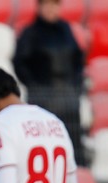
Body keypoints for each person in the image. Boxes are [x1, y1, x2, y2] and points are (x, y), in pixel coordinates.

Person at [13, 0, 86, 165]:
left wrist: (75, 86)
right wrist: (35, 85)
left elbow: (78, 60)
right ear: (39, 7)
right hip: (43, 98)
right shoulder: (30, 33)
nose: (51, 9)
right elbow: (20, 63)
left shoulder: (66, 30)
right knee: (47, 143)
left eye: (55, 5)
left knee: (72, 141)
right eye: (47, 5)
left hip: (68, 97)